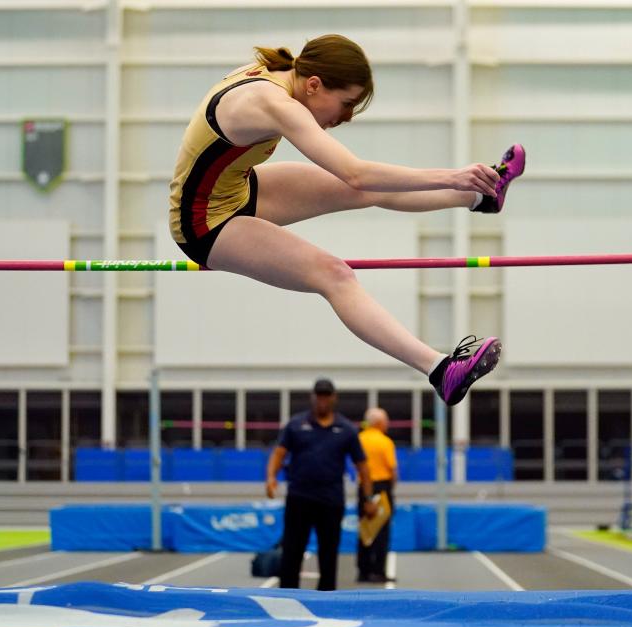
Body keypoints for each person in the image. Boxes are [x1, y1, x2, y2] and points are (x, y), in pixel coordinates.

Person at [168, 34, 524, 407]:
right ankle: (440, 370)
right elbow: (356, 172)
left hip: (234, 190)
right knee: (334, 274)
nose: (346, 117)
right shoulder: (273, 103)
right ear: (314, 85)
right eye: (346, 103)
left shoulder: (285, 76)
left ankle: (481, 196)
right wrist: (450, 174)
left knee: (364, 191)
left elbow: (359, 182)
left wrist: (460, 183)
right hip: (203, 222)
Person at [265, 378, 377, 590]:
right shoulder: (296, 425)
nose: (323, 400)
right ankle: (287, 596)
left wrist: (369, 498)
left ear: (333, 397)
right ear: (313, 397)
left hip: (331, 501)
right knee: (292, 551)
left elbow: (362, 466)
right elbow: (279, 453)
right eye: (319, 395)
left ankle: (326, 600)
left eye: (327, 395)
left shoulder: (346, 429)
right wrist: (271, 477)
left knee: (328, 554)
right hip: (299, 498)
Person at [356, 406, 397, 583]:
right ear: (379, 423)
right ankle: (379, 570)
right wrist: (391, 488)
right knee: (381, 532)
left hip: (363, 488)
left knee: (365, 530)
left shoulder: (359, 439)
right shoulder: (385, 441)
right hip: (382, 487)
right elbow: (392, 469)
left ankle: (363, 570)